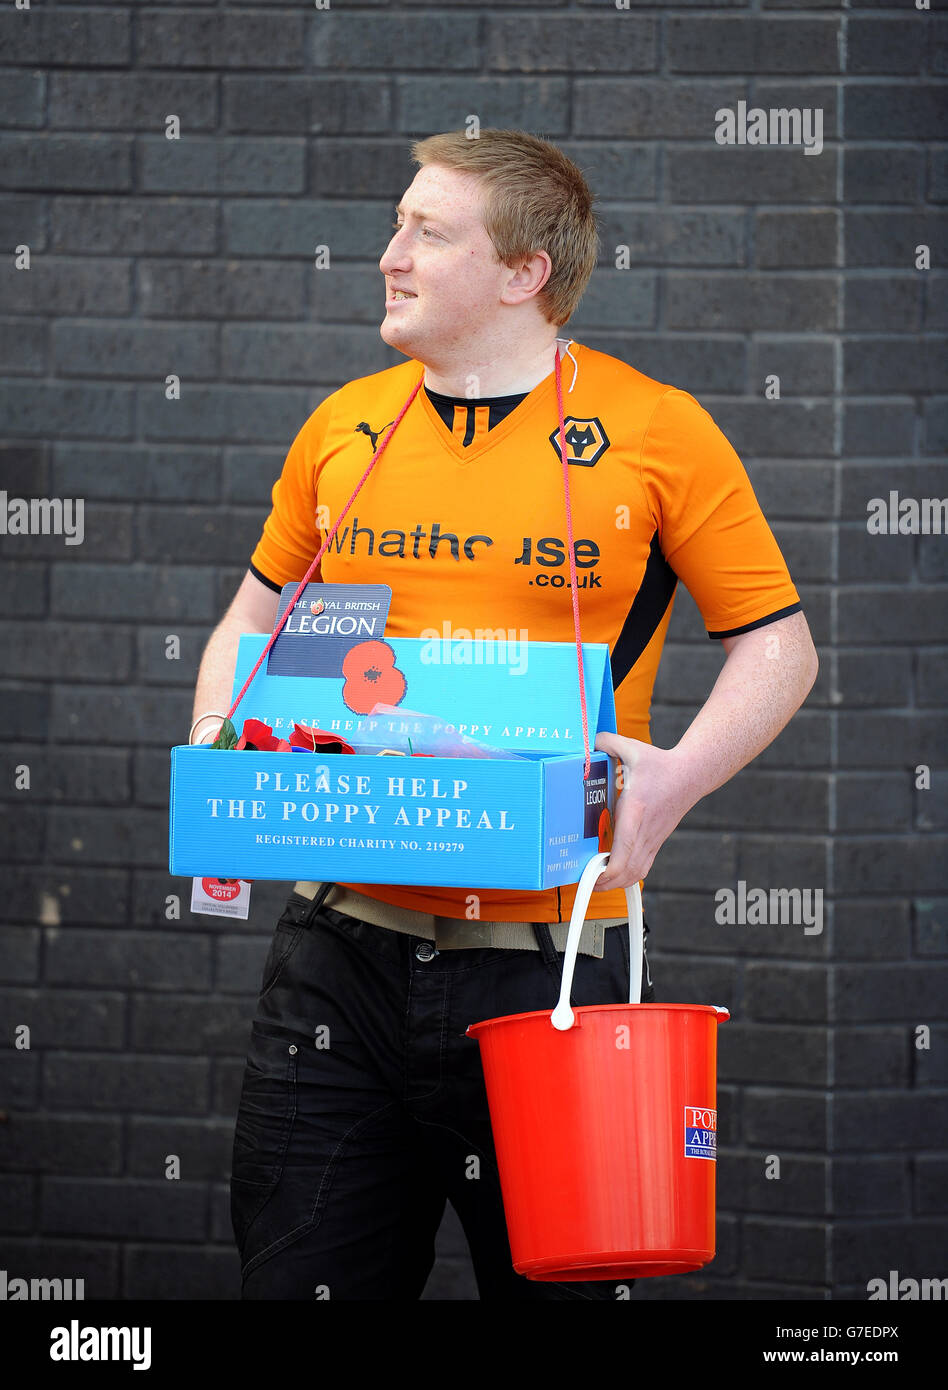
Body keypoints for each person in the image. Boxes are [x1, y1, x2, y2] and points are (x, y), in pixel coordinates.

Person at [190, 128, 819, 1300]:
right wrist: (224, 764)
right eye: (396, 224)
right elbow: (251, 620)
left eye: (427, 232)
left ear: (525, 272)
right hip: (337, 950)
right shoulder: (344, 426)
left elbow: (781, 646)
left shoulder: (656, 430)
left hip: (556, 969)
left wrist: (674, 780)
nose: (388, 254)